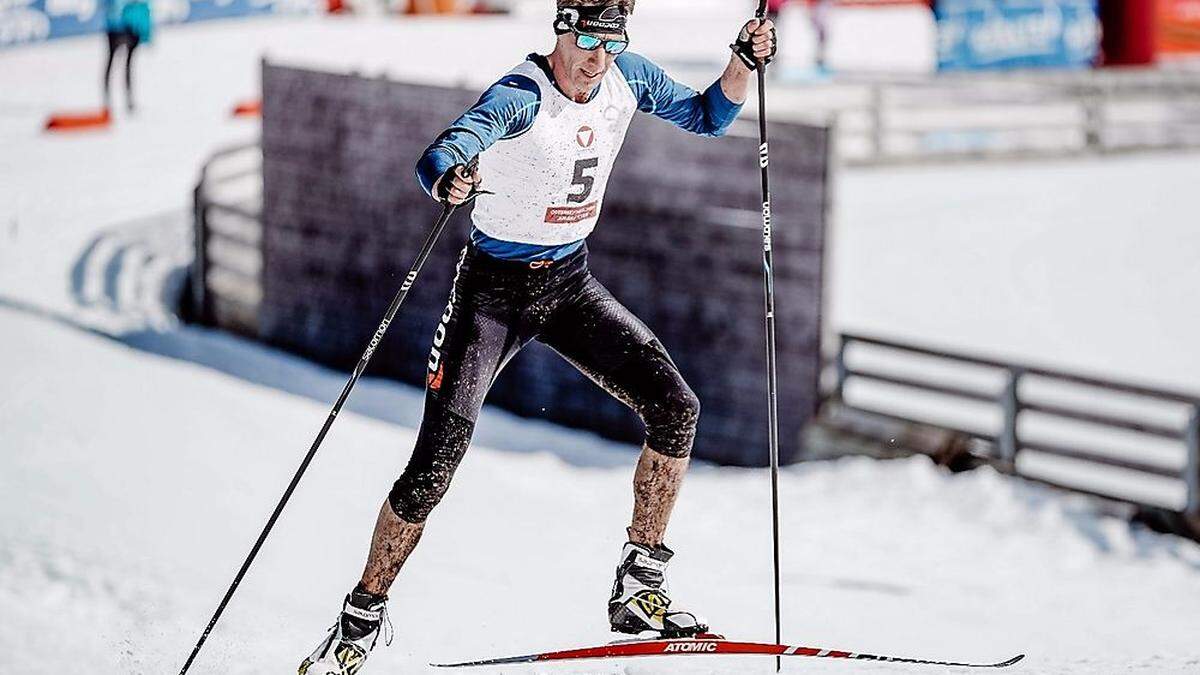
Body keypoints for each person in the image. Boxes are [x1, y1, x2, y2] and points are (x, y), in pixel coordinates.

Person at [298, 2, 776, 673]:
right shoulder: (522, 96)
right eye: (586, 42)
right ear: (560, 31)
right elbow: (440, 153)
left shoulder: (625, 77)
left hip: (569, 284)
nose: (596, 60)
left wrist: (741, 63)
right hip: (492, 296)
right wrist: (452, 174)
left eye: (611, 45)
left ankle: (639, 587)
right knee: (436, 462)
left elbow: (710, 116)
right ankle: (361, 617)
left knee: (677, 407)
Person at [102, 0, 152, 113]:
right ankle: (109, 102)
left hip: (129, 26)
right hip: (121, 26)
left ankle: (124, 101)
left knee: (124, 64)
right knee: (117, 63)